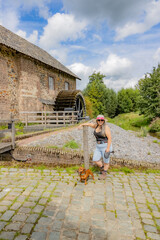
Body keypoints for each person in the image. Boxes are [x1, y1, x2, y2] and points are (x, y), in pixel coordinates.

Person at [78, 114, 112, 180]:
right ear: (97, 120)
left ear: (103, 121)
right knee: (95, 159)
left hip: (105, 145)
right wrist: (81, 125)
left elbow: (110, 138)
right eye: (99, 120)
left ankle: (104, 173)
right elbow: (89, 124)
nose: (100, 121)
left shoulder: (106, 127)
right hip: (98, 146)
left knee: (106, 161)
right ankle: (102, 168)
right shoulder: (96, 126)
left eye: (101, 120)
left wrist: (108, 148)